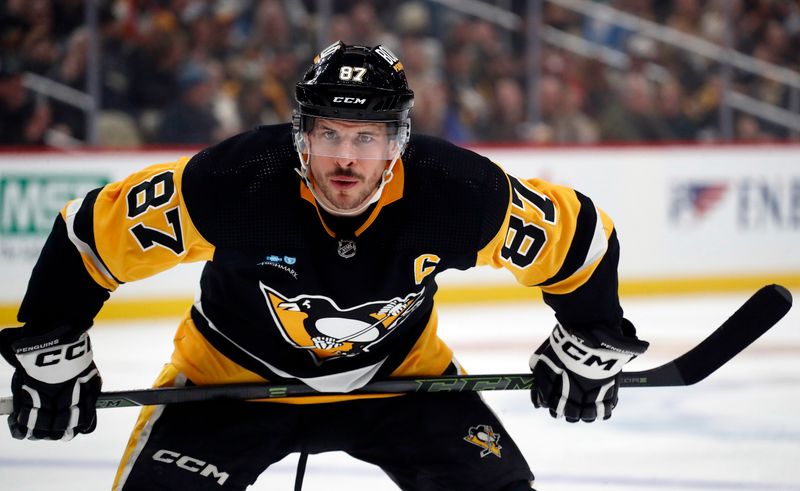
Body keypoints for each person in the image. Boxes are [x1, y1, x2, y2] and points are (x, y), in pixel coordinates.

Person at [0, 41, 648, 491]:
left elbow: (579, 239)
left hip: (399, 380)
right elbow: (91, 234)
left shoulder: (454, 192)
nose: (346, 157)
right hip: (228, 383)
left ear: (397, 141)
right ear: (299, 133)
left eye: (366, 137)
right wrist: (53, 350)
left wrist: (587, 339)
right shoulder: (238, 181)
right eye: (329, 134)